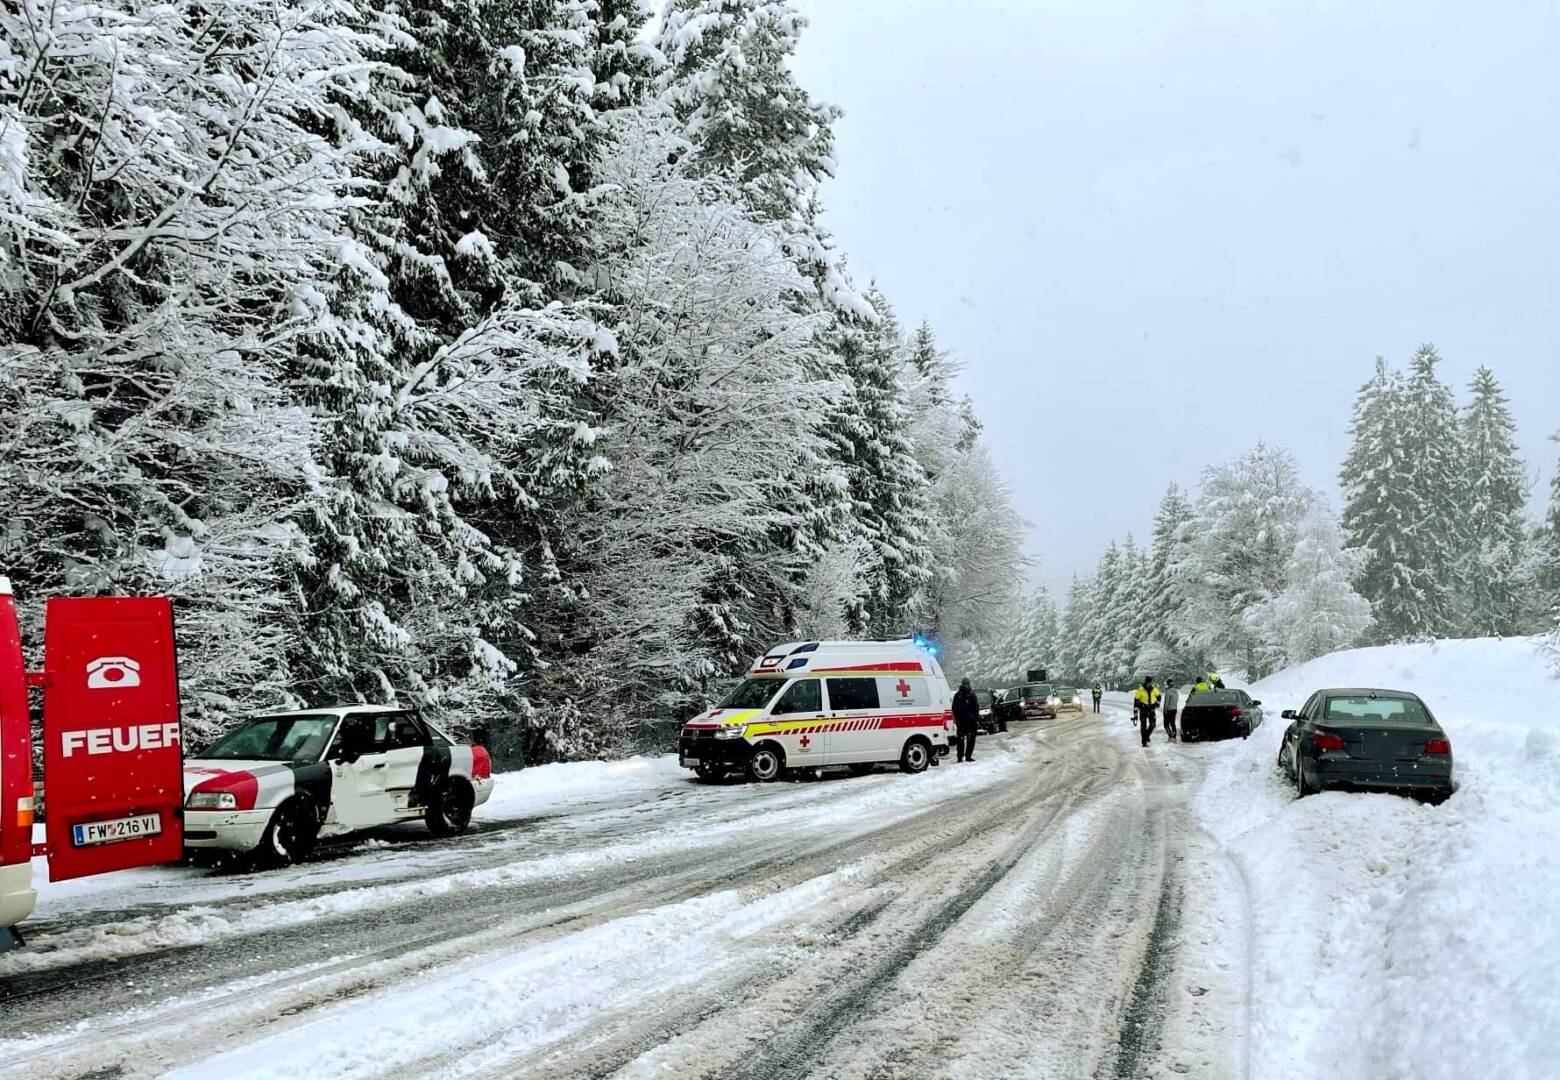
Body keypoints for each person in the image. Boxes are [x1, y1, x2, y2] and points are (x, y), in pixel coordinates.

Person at [952, 677, 981, 763]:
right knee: (971, 739)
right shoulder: (972, 694)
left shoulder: (957, 695)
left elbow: (954, 708)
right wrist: (976, 719)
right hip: (971, 722)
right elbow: (976, 708)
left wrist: (957, 719)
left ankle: (960, 757)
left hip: (960, 722)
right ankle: (968, 756)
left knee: (960, 740)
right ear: (969, 684)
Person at [1132, 675, 1161, 748]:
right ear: (1146, 682)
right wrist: (1135, 712)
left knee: (1153, 724)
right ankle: (1144, 741)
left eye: (1151, 682)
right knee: (1143, 725)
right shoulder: (1140, 690)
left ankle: (1147, 736)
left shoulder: (1154, 689)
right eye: (1149, 682)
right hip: (1143, 708)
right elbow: (1136, 701)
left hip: (1151, 708)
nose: (1150, 684)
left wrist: (1157, 703)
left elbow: (1159, 696)